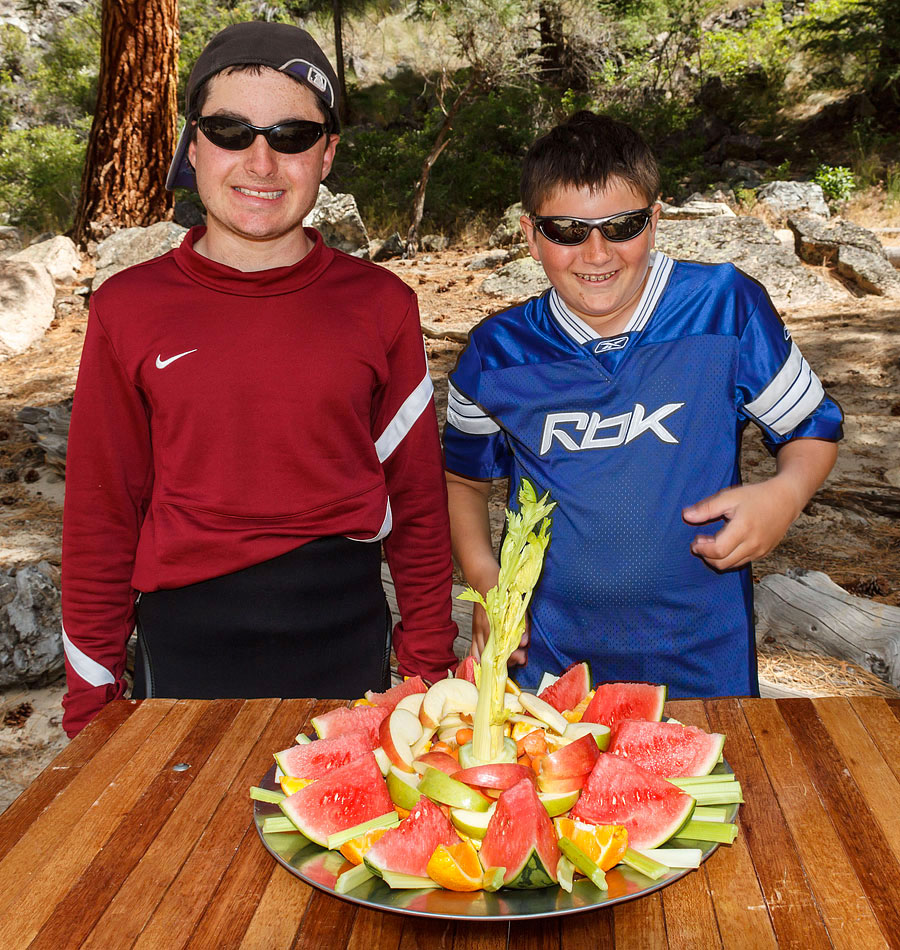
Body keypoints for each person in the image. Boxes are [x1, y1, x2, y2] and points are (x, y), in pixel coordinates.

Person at [61, 22, 458, 737]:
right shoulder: (127, 308)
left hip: (345, 641)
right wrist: (91, 702)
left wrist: (427, 667)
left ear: (327, 153)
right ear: (193, 146)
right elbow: (101, 515)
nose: (261, 161)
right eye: (230, 130)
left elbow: (418, 502)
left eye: (292, 136)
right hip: (186, 651)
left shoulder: (382, 305)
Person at [443, 111, 842, 698]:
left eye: (622, 225)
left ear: (654, 220)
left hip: (704, 666)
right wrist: (487, 581)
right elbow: (464, 483)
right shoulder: (496, 354)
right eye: (567, 231)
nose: (597, 253)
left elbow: (812, 429)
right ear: (531, 236)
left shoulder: (725, 309)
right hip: (548, 672)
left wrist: (785, 493)